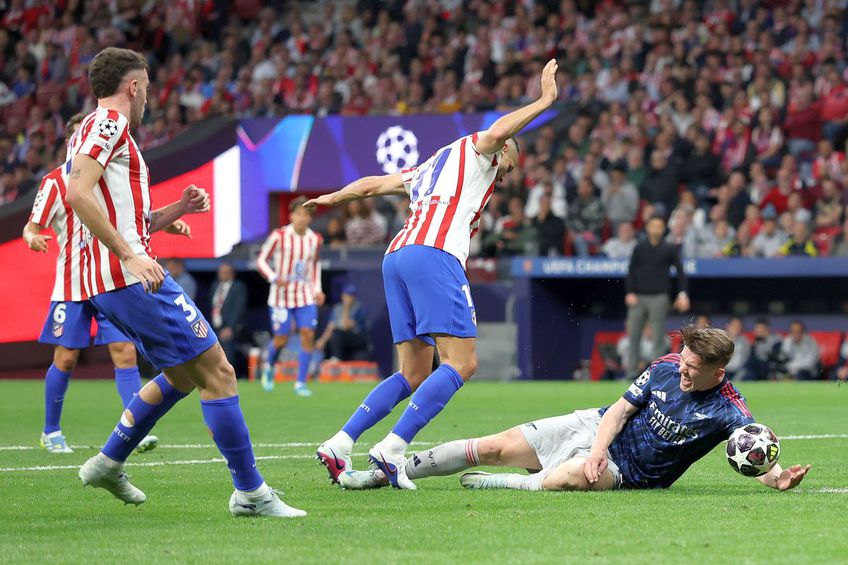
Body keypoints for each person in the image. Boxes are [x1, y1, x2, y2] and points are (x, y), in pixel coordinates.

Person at [67, 48, 304, 518]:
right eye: (147, 88)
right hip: (130, 277)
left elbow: (124, 217)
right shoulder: (109, 125)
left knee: (179, 375)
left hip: (113, 279)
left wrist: (176, 211)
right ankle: (252, 495)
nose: (148, 98)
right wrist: (130, 254)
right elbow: (77, 194)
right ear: (133, 86)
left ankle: (109, 461)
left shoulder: (91, 133)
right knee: (219, 372)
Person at [308, 59, 560, 490]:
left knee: (412, 373)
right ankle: (391, 449)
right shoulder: (479, 150)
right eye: (509, 166)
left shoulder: (425, 168)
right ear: (502, 152)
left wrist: (333, 195)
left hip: (397, 255)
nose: (506, 175)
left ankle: (340, 442)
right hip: (434, 253)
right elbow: (499, 131)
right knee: (463, 363)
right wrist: (545, 99)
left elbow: (370, 185)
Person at [340, 326, 810, 493]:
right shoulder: (667, 365)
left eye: (692, 369)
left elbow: (750, 452)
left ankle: (511, 485)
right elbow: (619, 411)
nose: (683, 372)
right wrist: (596, 448)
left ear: (717, 371)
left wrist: (777, 477)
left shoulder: (730, 409)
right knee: (494, 444)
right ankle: (382, 474)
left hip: (632, 472)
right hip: (597, 426)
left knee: (570, 477)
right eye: (683, 362)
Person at [22, 114, 164, 454]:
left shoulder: (111, 178)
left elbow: (136, 219)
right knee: (67, 357)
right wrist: (32, 237)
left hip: (108, 280)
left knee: (125, 352)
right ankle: (51, 430)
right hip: (72, 285)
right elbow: (32, 225)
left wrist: (171, 223)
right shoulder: (55, 182)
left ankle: (136, 428)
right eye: (76, 137)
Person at [256, 197, 325, 396]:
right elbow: (261, 260)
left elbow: (315, 266)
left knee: (308, 334)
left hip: (304, 294)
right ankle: (268, 366)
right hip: (280, 297)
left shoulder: (315, 240)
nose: (302, 218)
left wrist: (317, 289)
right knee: (281, 339)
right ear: (291, 215)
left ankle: (300, 382)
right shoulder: (279, 236)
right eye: (298, 214)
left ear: (310, 218)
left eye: (306, 215)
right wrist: (274, 277)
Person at [624, 215, 690, 379]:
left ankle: (657, 374)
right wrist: (630, 291)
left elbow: (681, 272)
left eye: (659, 226)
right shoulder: (640, 247)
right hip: (638, 296)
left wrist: (682, 294)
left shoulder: (669, 248)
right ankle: (631, 372)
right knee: (634, 335)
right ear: (647, 228)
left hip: (659, 297)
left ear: (663, 229)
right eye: (653, 226)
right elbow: (631, 270)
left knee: (658, 337)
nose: (656, 229)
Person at [315, 284, 369, 361]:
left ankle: (336, 358)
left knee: (337, 333)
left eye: (351, 296)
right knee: (330, 337)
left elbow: (346, 326)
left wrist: (346, 307)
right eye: (347, 295)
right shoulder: (337, 308)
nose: (349, 298)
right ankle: (327, 361)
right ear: (342, 295)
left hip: (357, 338)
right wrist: (322, 341)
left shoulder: (359, 309)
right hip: (342, 338)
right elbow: (331, 326)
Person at [209, 262, 247, 372]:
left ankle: (229, 375)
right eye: (220, 272)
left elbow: (238, 308)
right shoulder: (215, 286)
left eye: (225, 272)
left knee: (227, 350)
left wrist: (230, 327)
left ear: (231, 274)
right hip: (215, 324)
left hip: (230, 326)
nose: (222, 275)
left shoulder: (238, 287)